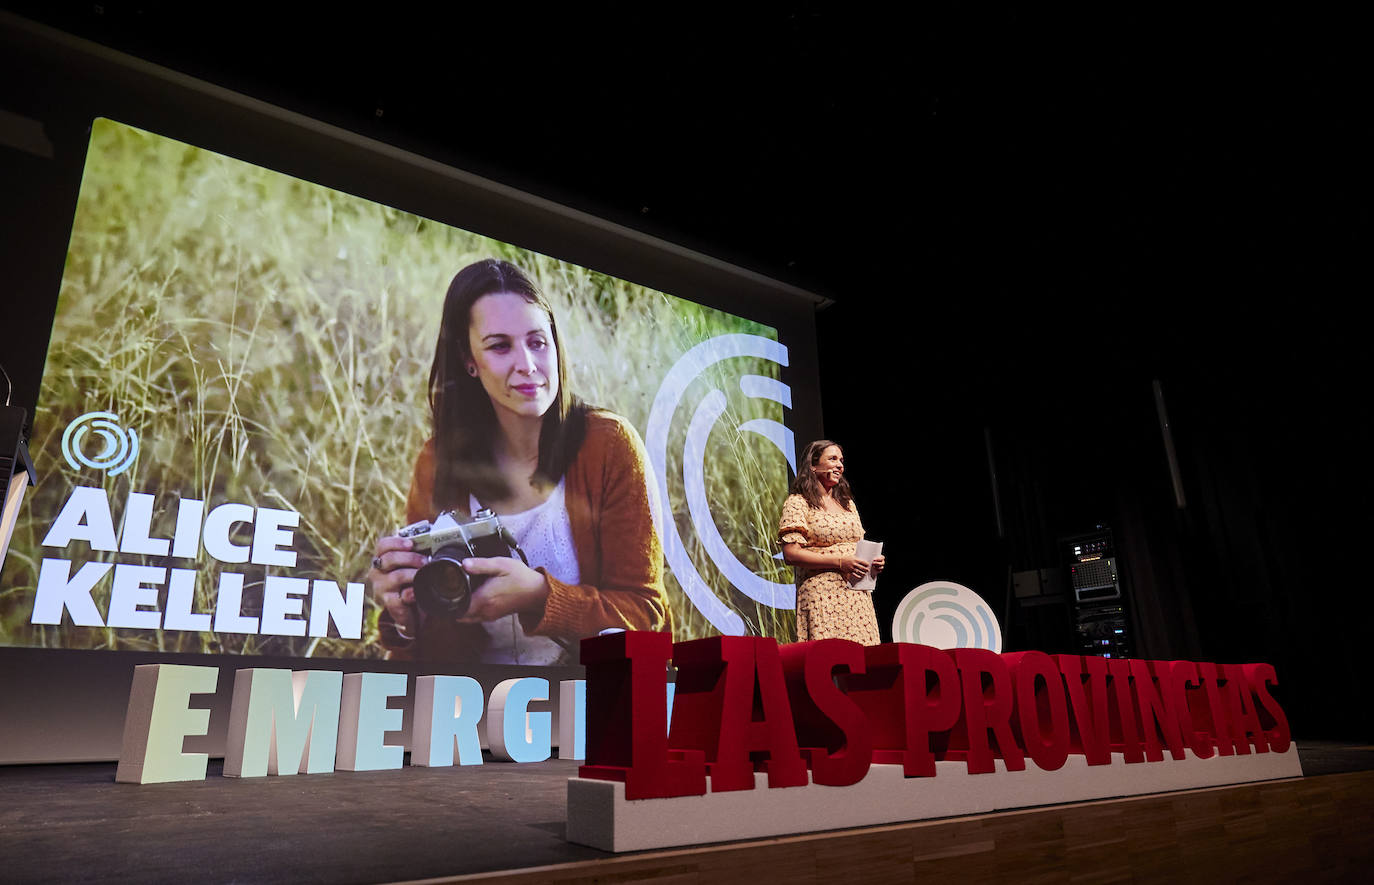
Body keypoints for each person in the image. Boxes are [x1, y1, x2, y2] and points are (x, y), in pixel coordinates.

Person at [368, 258, 668, 663]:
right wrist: (406, 614)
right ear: (468, 359)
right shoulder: (438, 461)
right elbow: (429, 643)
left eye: (537, 341)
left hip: (586, 700)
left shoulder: (609, 446)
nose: (527, 365)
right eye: (500, 346)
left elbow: (646, 616)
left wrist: (538, 595)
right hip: (470, 707)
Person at [778, 439, 884, 644]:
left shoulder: (847, 504)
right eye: (832, 459)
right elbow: (791, 554)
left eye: (841, 460)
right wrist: (839, 562)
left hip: (856, 595)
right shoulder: (799, 502)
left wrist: (872, 563)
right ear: (813, 466)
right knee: (829, 657)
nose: (839, 465)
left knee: (864, 660)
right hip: (822, 595)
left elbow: (858, 545)